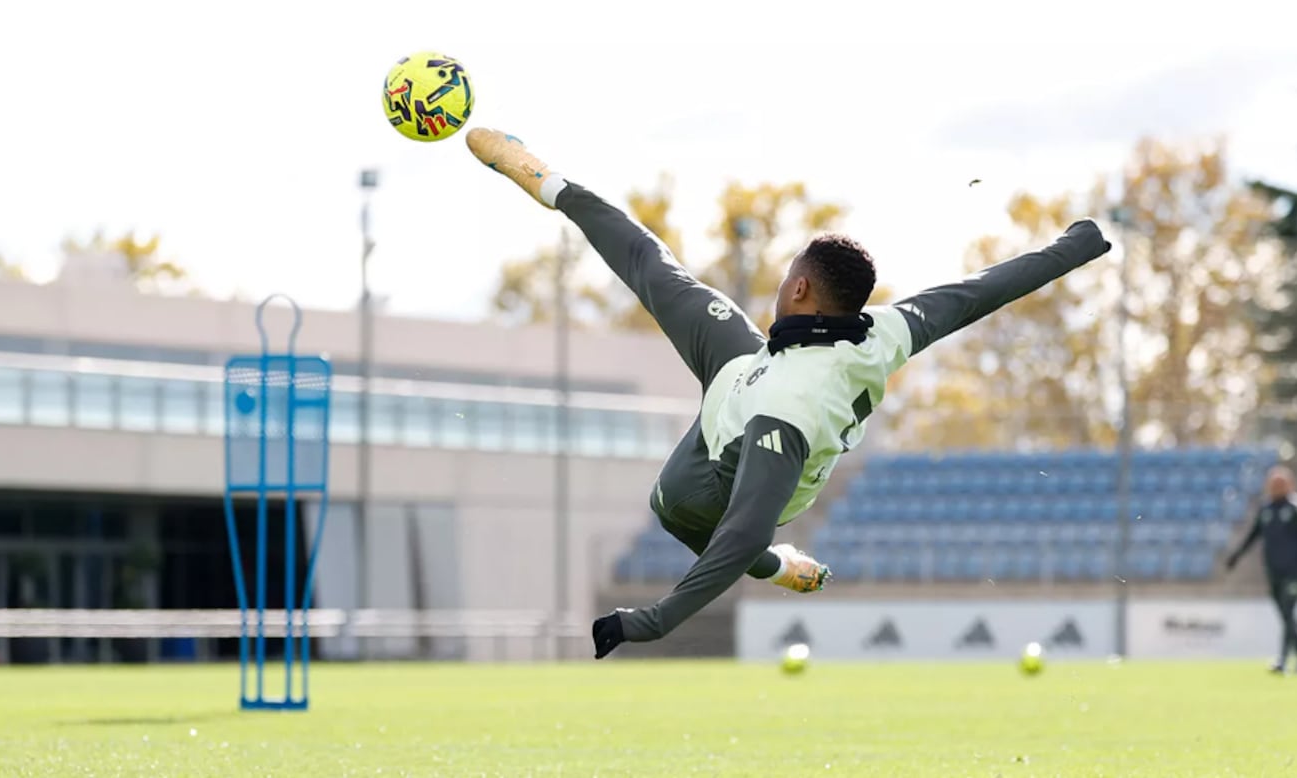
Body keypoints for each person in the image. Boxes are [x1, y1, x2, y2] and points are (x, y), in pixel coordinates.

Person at [464, 128, 1112, 659]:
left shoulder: (788, 411)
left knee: (685, 509)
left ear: (800, 289)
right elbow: (978, 292)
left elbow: (741, 535)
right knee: (653, 266)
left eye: (787, 276)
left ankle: (784, 565)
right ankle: (548, 180)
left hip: (709, 481)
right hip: (755, 369)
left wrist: (648, 622)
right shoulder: (883, 330)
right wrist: (1076, 245)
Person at [1225, 465, 1297, 674]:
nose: (1276, 487)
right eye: (1273, 483)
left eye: (1281, 483)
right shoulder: (1265, 509)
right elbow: (1252, 535)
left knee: (1289, 611)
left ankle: (1283, 661)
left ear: (1289, 485)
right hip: (1273, 571)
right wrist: (1236, 556)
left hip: (1294, 571)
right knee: (1287, 617)